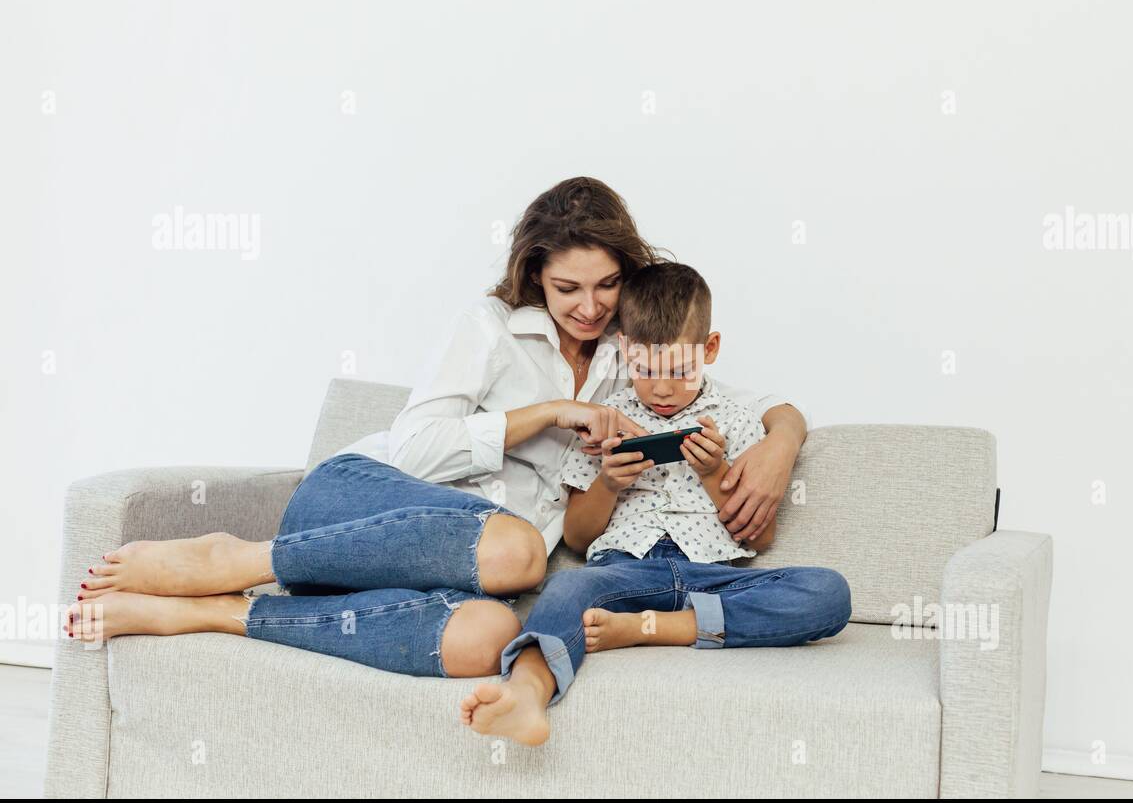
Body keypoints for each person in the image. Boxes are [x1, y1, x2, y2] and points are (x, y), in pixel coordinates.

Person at [66, 179, 812, 681]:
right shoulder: (489, 328)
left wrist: (781, 441)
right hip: (364, 500)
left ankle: (222, 614)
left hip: (465, 567)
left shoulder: (633, 356)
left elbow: (746, 397)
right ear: (534, 275)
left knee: (487, 641)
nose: (590, 307)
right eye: (567, 288)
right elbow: (418, 445)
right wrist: (550, 414)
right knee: (518, 545)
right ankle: (240, 557)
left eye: (608, 285)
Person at [459, 263, 851, 745]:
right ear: (625, 349)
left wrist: (713, 474)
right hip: (625, 571)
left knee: (827, 592)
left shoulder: (740, 421)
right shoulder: (606, 419)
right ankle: (526, 693)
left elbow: (759, 537)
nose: (662, 388)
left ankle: (659, 629)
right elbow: (580, 539)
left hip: (712, 576)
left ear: (709, 350)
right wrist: (607, 482)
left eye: (679, 371)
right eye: (646, 369)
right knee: (565, 590)